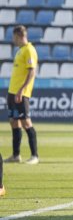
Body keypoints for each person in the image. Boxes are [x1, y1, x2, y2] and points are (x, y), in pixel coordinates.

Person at [4, 25, 39, 165]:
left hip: (21, 93)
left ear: (19, 35)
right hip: (12, 92)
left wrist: (21, 90)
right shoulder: (20, 51)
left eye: (14, 37)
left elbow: (31, 72)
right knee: (14, 122)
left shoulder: (29, 50)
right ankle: (16, 155)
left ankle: (34, 156)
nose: (13, 40)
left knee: (26, 122)